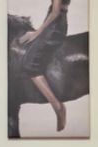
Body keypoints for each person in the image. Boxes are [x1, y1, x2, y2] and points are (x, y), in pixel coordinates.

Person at [19, 0, 69, 132]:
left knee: (29, 66)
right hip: (56, 23)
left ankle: (58, 107)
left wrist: (36, 33)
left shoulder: (56, 15)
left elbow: (55, 12)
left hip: (54, 26)